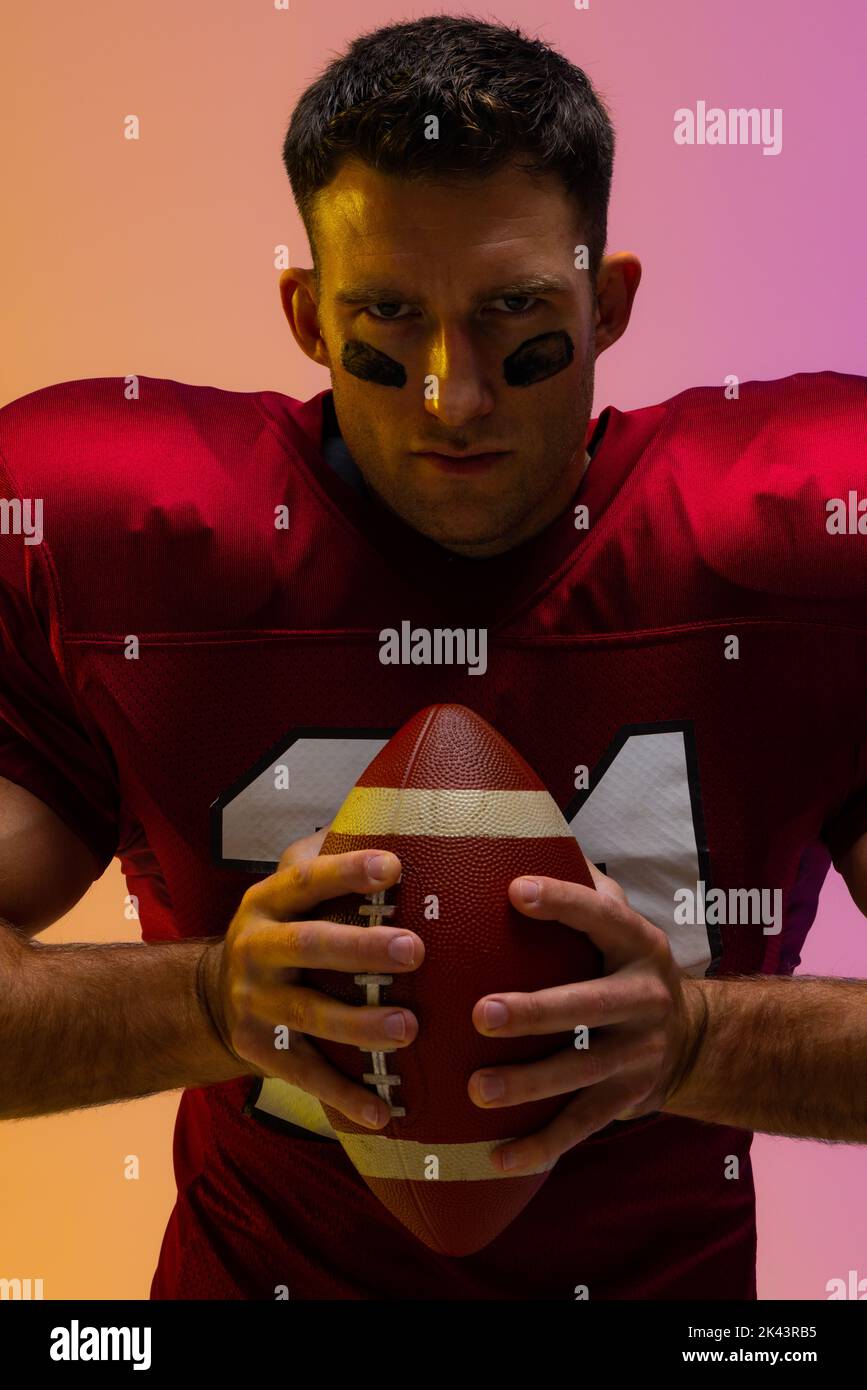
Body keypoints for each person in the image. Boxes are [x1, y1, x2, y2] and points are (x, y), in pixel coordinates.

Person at [0, 15, 865, 1301]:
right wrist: (210, 1005)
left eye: (515, 316)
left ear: (609, 302)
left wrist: (692, 1036)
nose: (452, 394)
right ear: (304, 313)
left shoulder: (796, 538)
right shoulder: (134, 536)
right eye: (387, 320)